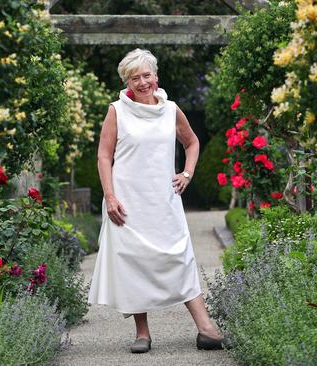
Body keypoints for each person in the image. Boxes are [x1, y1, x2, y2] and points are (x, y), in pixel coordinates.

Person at [87, 48, 228, 353]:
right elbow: (103, 155)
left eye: (146, 75)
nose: (142, 82)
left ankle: (206, 329)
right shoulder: (117, 110)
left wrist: (187, 173)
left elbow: (191, 141)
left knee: (181, 257)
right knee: (135, 262)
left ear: (156, 77)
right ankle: (142, 333)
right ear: (127, 81)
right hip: (126, 202)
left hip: (163, 201)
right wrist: (109, 197)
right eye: (134, 77)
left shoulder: (171, 109)